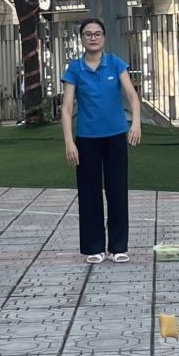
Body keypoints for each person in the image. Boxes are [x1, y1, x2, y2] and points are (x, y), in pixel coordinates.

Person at [60, 17, 143, 263]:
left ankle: (118, 247)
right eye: (88, 34)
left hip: (115, 137)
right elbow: (66, 108)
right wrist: (69, 142)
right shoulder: (74, 68)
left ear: (104, 37)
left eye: (97, 33)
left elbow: (132, 96)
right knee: (89, 193)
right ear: (82, 39)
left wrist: (135, 123)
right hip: (86, 139)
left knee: (117, 191)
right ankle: (94, 247)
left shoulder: (115, 63)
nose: (93, 38)